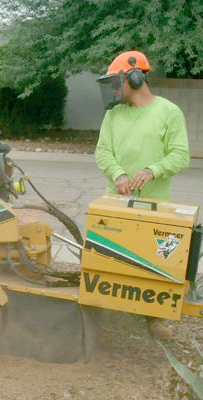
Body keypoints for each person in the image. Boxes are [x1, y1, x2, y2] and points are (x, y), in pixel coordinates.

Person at [95, 50, 190, 340]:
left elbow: (181, 155)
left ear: (135, 78)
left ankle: (154, 319)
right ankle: (107, 313)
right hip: (117, 203)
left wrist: (152, 170)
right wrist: (118, 174)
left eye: (117, 82)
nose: (113, 89)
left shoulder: (168, 112)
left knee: (154, 264)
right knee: (111, 259)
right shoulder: (113, 115)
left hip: (155, 206)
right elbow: (102, 152)